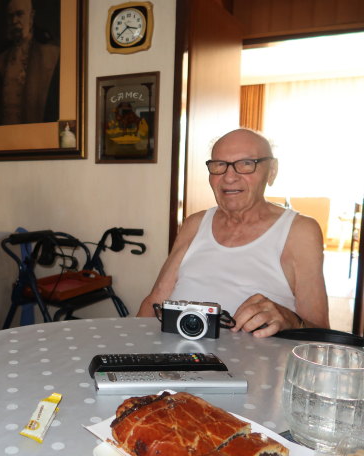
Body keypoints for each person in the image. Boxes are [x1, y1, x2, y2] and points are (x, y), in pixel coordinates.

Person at [137, 128, 330, 337]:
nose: (229, 177)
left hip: (250, 367)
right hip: (174, 359)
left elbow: (321, 333)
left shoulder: (299, 231)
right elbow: (155, 301)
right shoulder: (195, 223)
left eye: (247, 164)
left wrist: (291, 320)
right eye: (219, 165)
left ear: (272, 171)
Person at [0, 0, 60, 126]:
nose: (14, 21)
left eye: (19, 14)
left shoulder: (51, 55)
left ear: (31, 16)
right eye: (10, 16)